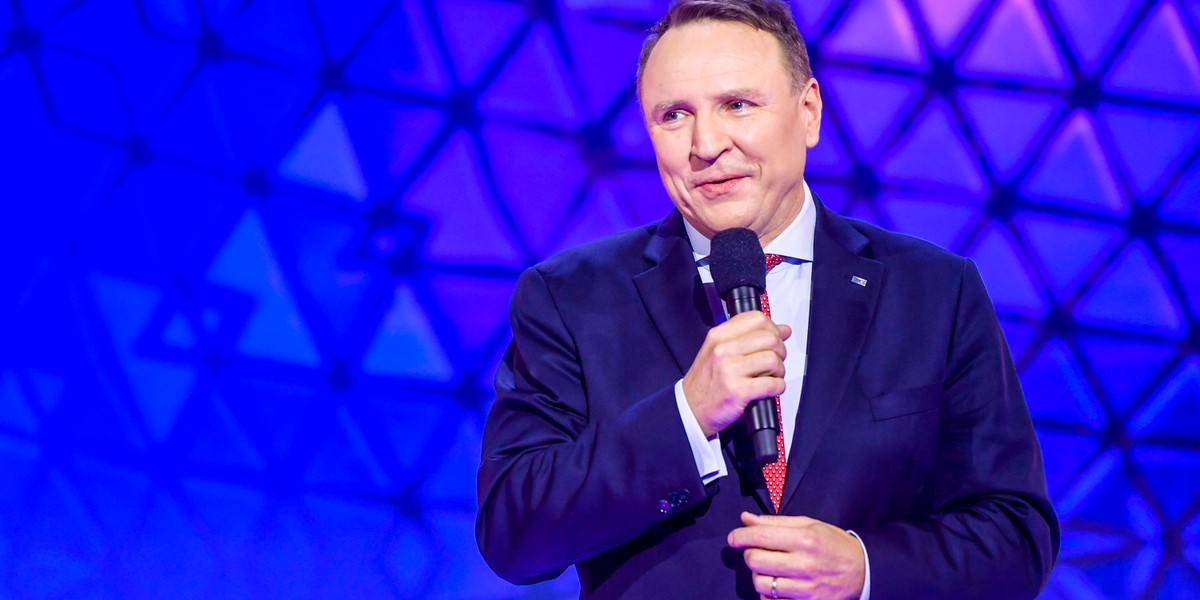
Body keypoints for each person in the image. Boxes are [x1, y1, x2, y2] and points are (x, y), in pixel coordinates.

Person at [475, 1, 1059, 598]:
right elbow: (513, 536)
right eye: (674, 115)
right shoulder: (570, 297)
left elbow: (1015, 534)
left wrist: (866, 568)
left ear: (808, 113)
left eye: (737, 105)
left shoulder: (934, 290)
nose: (706, 144)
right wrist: (686, 415)